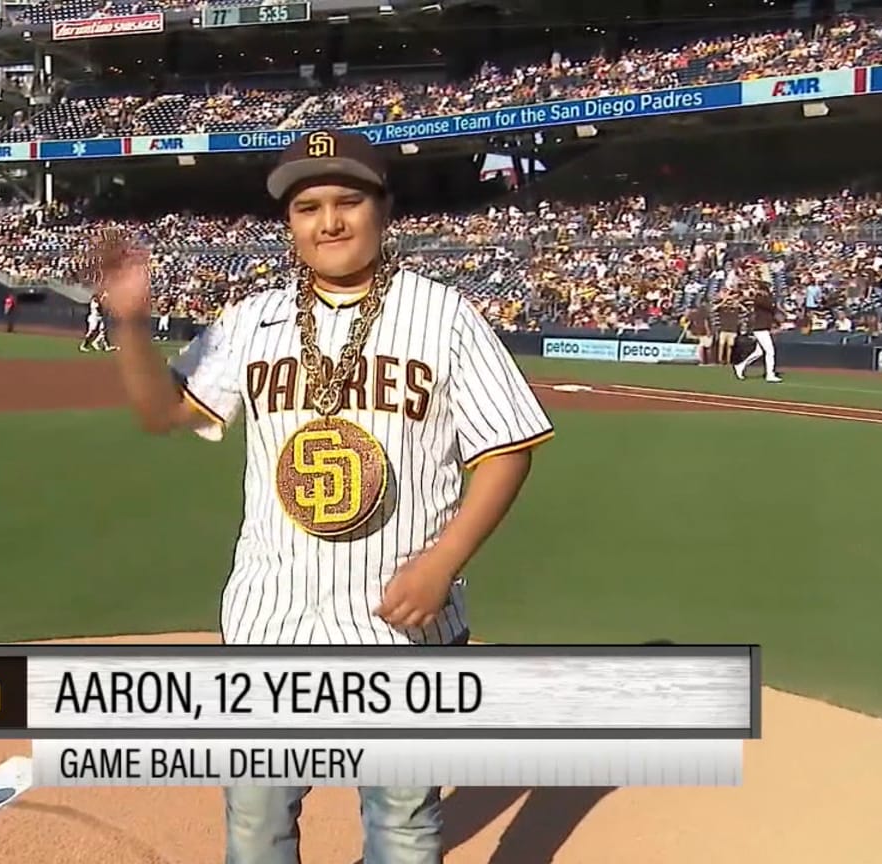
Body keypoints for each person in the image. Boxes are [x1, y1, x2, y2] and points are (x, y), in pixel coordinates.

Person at [98, 128, 554, 864]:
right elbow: (164, 413)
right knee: (254, 828)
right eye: (308, 207)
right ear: (291, 224)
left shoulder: (443, 316)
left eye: (348, 201)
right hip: (271, 620)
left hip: (399, 626)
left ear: (385, 209)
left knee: (403, 829)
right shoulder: (253, 319)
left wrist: (444, 563)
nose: (329, 221)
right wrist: (128, 324)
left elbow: (508, 449)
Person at [732, 283, 782, 382]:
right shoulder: (760, 298)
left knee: (758, 352)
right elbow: (770, 306)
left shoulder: (765, 298)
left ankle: (740, 366)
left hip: (764, 328)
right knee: (770, 351)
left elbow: (773, 309)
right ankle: (770, 375)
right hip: (760, 328)